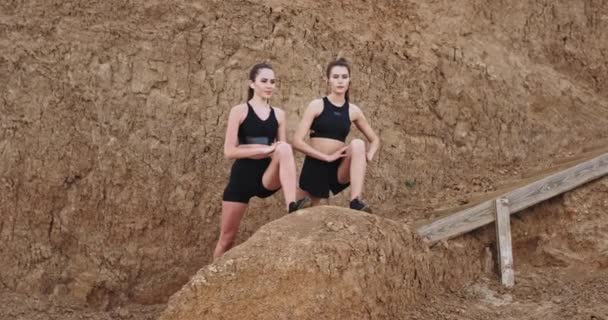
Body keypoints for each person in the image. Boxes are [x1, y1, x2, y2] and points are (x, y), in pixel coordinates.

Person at [213, 63, 306, 258]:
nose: (269, 85)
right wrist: (263, 149)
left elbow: (280, 150)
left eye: (272, 82)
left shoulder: (279, 114)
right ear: (252, 83)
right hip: (242, 178)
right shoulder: (239, 111)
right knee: (226, 239)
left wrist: (263, 150)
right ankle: (212, 284)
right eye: (264, 81)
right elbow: (229, 151)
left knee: (284, 147)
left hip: (266, 176)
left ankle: (292, 206)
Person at [293, 57, 380, 212]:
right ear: (328, 80)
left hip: (338, 169)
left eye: (344, 77)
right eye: (336, 77)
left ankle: (355, 201)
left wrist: (368, 156)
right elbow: (297, 141)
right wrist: (326, 157)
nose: (340, 81)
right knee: (302, 214)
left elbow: (374, 140)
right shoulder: (316, 105)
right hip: (316, 165)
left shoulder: (354, 111)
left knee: (358, 144)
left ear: (349, 81)